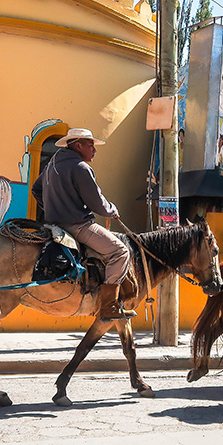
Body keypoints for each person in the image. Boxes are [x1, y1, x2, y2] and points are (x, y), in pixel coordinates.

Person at [31, 127, 135, 321]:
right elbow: (98, 204)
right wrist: (112, 210)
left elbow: (36, 189)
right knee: (120, 252)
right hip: (78, 226)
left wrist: (53, 206)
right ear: (78, 145)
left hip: (54, 225)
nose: (94, 150)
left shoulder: (52, 164)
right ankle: (109, 306)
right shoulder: (80, 167)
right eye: (91, 145)